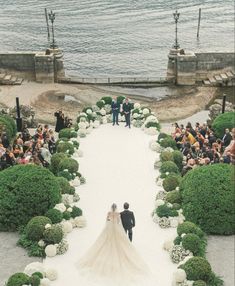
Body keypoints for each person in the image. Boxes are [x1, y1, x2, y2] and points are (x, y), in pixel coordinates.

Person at [77, 203, 150, 285]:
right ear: (116, 208)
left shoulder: (109, 213)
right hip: (117, 230)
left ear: (111, 208)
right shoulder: (118, 214)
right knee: (123, 239)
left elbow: (107, 221)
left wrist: (110, 224)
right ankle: (129, 242)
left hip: (109, 229)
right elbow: (119, 222)